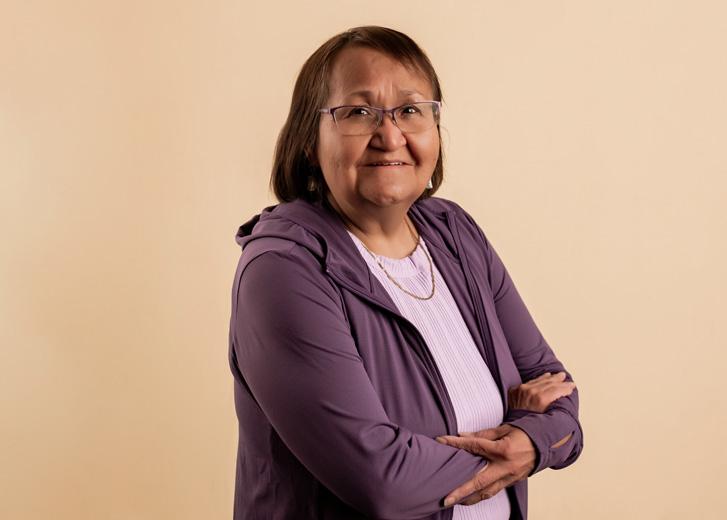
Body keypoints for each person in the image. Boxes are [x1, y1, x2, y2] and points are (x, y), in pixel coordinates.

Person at [228, 25, 583, 519]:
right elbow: (381, 481)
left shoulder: (455, 235)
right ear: (310, 140)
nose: (389, 136)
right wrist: (526, 446)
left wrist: (541, 439)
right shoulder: (284, 270)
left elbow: (559, 394)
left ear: (435, 130)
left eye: (411, 111)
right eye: (358, 113)